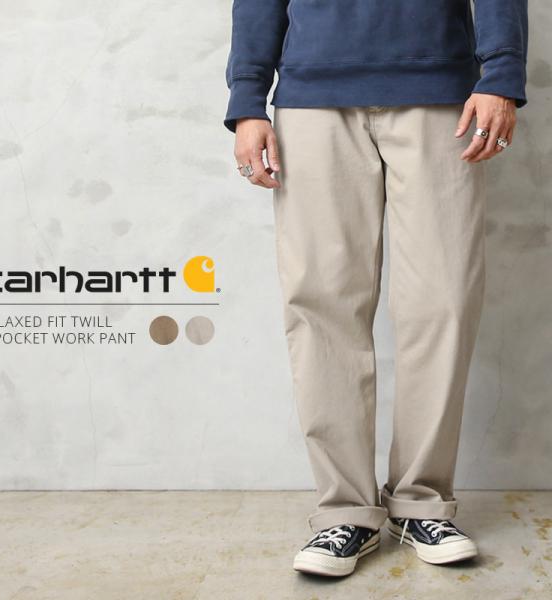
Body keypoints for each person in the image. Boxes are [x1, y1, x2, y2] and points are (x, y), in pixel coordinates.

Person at [224, 0, 528, 578]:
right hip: (312, 98)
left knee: (443, 302)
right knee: (321, 304)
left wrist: (502, 74)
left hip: (441, 92)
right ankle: (345, 511)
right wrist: (247, 99)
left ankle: (421, 502)